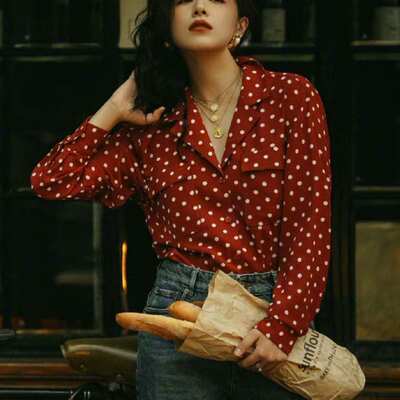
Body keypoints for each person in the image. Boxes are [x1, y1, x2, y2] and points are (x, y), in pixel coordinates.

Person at [30, 0, 332, 399]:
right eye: (183, 0)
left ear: (240, 26)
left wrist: (282, 326)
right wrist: (115, 107)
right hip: (177, 323)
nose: (200, 6)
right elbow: (52, 180)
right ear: (166, 28)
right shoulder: (152, 125)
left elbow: (310, 225)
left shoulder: (290, 96)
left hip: (270, 318)